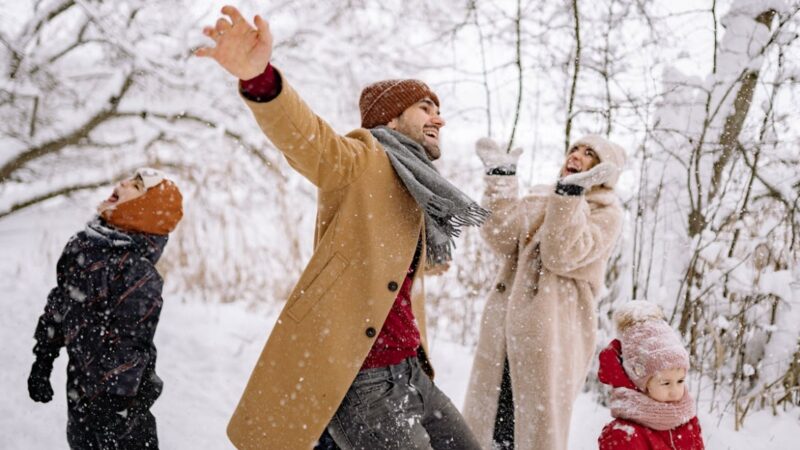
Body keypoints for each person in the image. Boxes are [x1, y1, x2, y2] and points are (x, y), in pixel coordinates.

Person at [195, 6, 487, 450]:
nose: (438, 118)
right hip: (364, 378)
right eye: (425, 107)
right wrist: (261, 80)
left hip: (411, 371)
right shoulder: (362, 158)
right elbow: (308, 140)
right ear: (390, 119)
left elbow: (379, 263)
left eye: (439, 109)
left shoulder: (417, 187)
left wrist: (422, 264)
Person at [463, 135, 625, 450]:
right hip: (503, 332)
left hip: (552, 335)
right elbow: (500, 236)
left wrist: (571, 196)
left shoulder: (607, 213)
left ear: (605, 171)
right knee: (490, 427)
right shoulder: (543, 196)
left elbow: (559, 253)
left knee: (533, 430)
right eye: (574, 149)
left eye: (589, 153)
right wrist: (502, 180)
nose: (576, 156)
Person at [27, 168, 183, 449]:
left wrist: (115, 405)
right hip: (80, 392)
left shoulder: (137, 273)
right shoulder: (83, 246)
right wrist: (44, 357)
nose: (121, 183)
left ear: (142, 208)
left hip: (123, 405)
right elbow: (62, 302)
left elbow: (130, 343)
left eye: (135, 186)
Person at [597, 301, 705, 449]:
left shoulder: (687, 421)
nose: (675, 391)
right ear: (642, 383)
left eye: (680, 381)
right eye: (666, 383)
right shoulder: (623, 434)